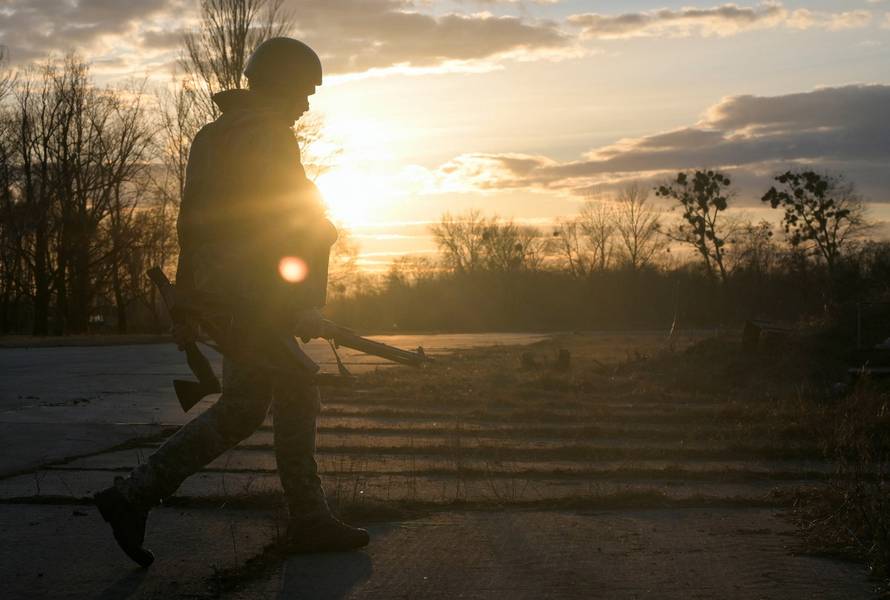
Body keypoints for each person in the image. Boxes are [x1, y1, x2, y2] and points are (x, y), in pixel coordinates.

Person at [94, 38, 369, 568]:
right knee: (293, 389)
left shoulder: (213, 135)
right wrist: (303, 297)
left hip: (227, 298)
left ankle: (131, 497)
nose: (306, 105)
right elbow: (293, 227)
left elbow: (192, 224)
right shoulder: (268, 137)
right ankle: (307, 521)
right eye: (304, 92)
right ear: (281, 85)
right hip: (254, 299)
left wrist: (188, 304)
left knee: (244, 407)